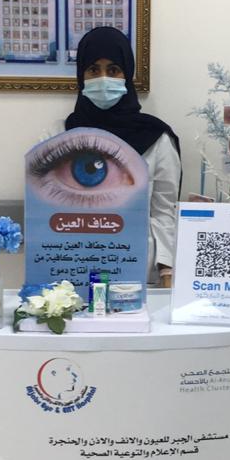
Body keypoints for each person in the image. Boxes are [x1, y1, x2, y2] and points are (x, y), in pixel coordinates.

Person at [66, 26, 181, 286]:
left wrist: (167, 272)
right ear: (81, 75)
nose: (103, 79)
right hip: (74, 273)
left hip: (137, 272)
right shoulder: (59, 138)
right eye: (93, 70)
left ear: (127, 75)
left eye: (113, 70)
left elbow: (164, 212)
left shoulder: (156, 138)